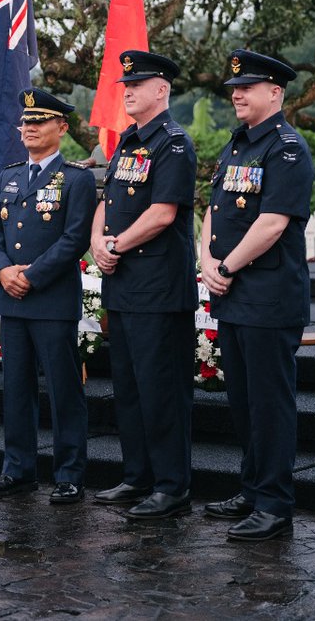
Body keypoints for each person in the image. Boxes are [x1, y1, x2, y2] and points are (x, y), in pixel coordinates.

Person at [199, 49, 315, 542]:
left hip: (268, 297)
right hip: (233, 295)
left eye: (247, 87)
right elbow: (212, 210)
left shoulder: (287, 149)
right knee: (243, 403)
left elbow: (272, 223)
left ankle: (274, 504)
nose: (238, 95)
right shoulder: (236, 147)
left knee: (270, 405)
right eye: (234, 89)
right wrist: (205, 261)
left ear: (276, 92)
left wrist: (224, 266)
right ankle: (252, 489)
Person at [90, 51, 197, 519]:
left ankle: (171, 486)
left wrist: (115, 246)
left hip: (157, 288)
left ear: (162, 90)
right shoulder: (127, 143)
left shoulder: (173, 144)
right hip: (123, 286)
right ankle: (137, 477)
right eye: (124, 84)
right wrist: (97, 240)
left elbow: (163, 212)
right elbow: (107, 201)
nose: (127, 90)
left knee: (161, 390)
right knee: (130, 389)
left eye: (138, 83)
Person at [0, 88, 94, 504]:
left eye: (39, 121)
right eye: (25, 122)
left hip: (50, 299)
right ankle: (18, 469)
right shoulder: (8, 176)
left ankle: (68, 474)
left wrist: (33, 275)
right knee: (16, 387)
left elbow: (74, 238)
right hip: (11, 298)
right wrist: (3, 271)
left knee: (63, 390)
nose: (29, 128)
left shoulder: (77, 178)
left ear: (61, 128)